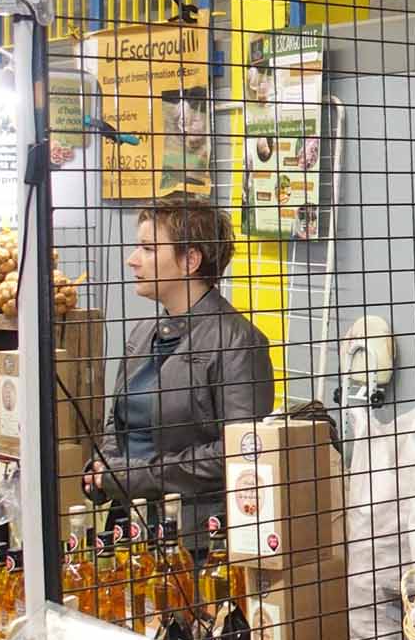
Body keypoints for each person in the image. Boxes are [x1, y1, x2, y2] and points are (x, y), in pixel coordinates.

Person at [85, 197, 276, 551]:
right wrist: (104, 470)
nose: (133, 259)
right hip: (133, 528)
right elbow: (119, 419)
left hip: (200, 537)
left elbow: (242, 453)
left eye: (148, 248)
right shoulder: (143, 333)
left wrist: (137, 477)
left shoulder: (238, 341)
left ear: (190, 260)